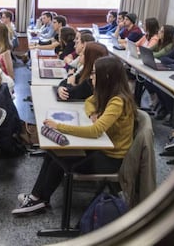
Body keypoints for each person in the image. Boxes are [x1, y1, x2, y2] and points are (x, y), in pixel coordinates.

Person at [12, 56, 136, 215]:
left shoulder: (117, 101)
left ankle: (39, 200)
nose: (91, 77)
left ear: (106, 77)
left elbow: (95, 131)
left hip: (111, 159)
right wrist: (92, 114)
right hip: (102, 148)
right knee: (53, 152)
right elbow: (89, 102)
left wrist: (59, 126)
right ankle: (38, 198)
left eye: (94, 74)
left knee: (59, 159)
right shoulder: (109, 93)